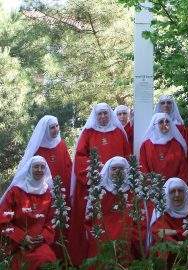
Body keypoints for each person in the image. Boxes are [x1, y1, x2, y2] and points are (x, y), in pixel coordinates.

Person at [69, 103, 131, 266]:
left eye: (105, 113)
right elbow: (80, 158)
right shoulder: (88, 133)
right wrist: (98, 170)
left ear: (110, 114)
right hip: (97, 187)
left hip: (119, 186)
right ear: (95, 116)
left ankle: (121, 261)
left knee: (121, 223)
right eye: (100, 114)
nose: (103, 117)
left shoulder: (118, 132)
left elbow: (127, 156)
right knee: (98, 225)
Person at [0, 156, 56, 270]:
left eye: (42, 167)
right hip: (16, 244)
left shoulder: (48, 194)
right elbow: (3, 219)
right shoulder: (15, 191)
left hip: (39, 243)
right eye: (36, 167)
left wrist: (43, 236)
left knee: (49, 260)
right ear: (29, 169)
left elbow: (52, 220)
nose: (39, 170)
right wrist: (22, 237)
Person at [85, 157, 135, 267]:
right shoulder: (100, 189)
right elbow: (90, 215)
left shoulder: (131, 189)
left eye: (121, 168)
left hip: (125, 226)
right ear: (108, 170)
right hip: (103, 227)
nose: (117, 171)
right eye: (114, 169)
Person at [150, 178, 188, 267]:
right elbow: (159, 233)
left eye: (180, 191)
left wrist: (173, 232)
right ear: (167, 194)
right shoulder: (162, 210)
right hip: (171, 261)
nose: (177, 195)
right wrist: (179, 241)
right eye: (172, 191)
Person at [18, 115, 72, 202]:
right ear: (45, 129)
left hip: (64, 185)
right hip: (44, 189)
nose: (56, 129)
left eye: (57, 126)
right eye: (52, 127)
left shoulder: (61, 144)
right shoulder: (37, 149)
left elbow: (69, 165)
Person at [139, 113, 188, 183]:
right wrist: (150, 186)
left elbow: (183, 169)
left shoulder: (177, 145)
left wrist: (176, 186)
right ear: (155, 125)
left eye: (167, 121)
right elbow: (143, 167)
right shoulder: (146, 145)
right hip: (153, 188)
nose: (165, 124)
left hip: (173, 190)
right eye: (161, 122)